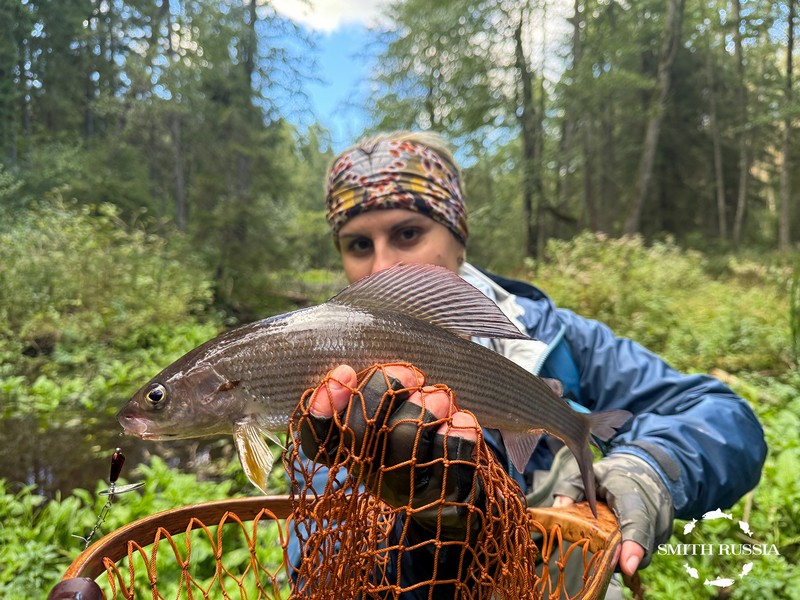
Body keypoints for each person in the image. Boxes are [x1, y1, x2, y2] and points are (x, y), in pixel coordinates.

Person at [294, 130, 767, 597]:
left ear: (459, 237)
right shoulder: (333, 390)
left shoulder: (555, 339)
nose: (382, 266)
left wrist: (646, 470)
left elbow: (724, 418)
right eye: (359, 245)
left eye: (408, 233)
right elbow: (318, 568)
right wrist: (430, 526)